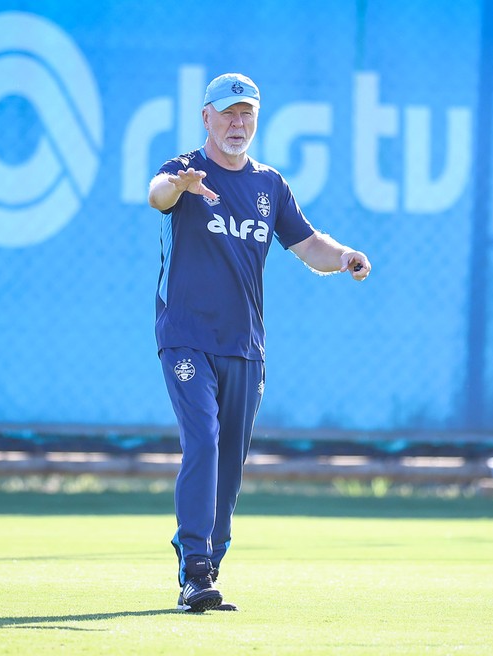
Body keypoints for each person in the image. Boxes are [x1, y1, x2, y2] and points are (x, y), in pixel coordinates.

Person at [147, 72, 371, 613]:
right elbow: (156, 196)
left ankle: (208, 560)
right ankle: (194, 568)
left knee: (229, 460)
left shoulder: (270, 185)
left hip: (244, 345)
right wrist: (180, 186)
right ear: (206, 117)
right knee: (202, 440)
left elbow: (309, 244)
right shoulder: (183, 169)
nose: (237, 123)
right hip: (185, 337)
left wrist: (343, 256)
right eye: (227, 113)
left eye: (246, 112)